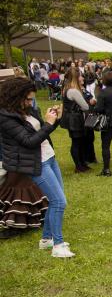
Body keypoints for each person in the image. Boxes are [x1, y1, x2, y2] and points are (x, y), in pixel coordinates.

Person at [0, 77, 74, 257]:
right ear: (15, 97)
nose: (30, 102)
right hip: (34, 163)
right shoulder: (4, 117)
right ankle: (58, 246)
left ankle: (46, 240)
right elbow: (29, 141)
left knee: (56, 200)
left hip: (48, 157)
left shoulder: (27, 110)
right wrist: (48, 124)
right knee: (58, 202)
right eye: (27, 98)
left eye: (32, 98)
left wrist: (54, 120)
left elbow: (40, 132)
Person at [61, 67, 96, 173]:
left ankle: (81, 163)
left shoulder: (67, 89)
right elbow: (85, 106)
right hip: (75, 120)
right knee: (76, 142)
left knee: (78, 142)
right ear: (76, 77)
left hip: (72, 118)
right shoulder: (73, 91)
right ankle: (79, 166)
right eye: (80, 75)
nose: (82, 77)